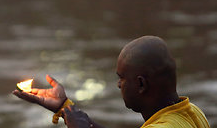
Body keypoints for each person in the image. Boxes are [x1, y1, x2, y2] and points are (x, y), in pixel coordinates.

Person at [13, 36, 210, 128]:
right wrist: (65, 108)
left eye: (121, 78)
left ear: (141, 85)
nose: (118, 85)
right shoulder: (192, 112)